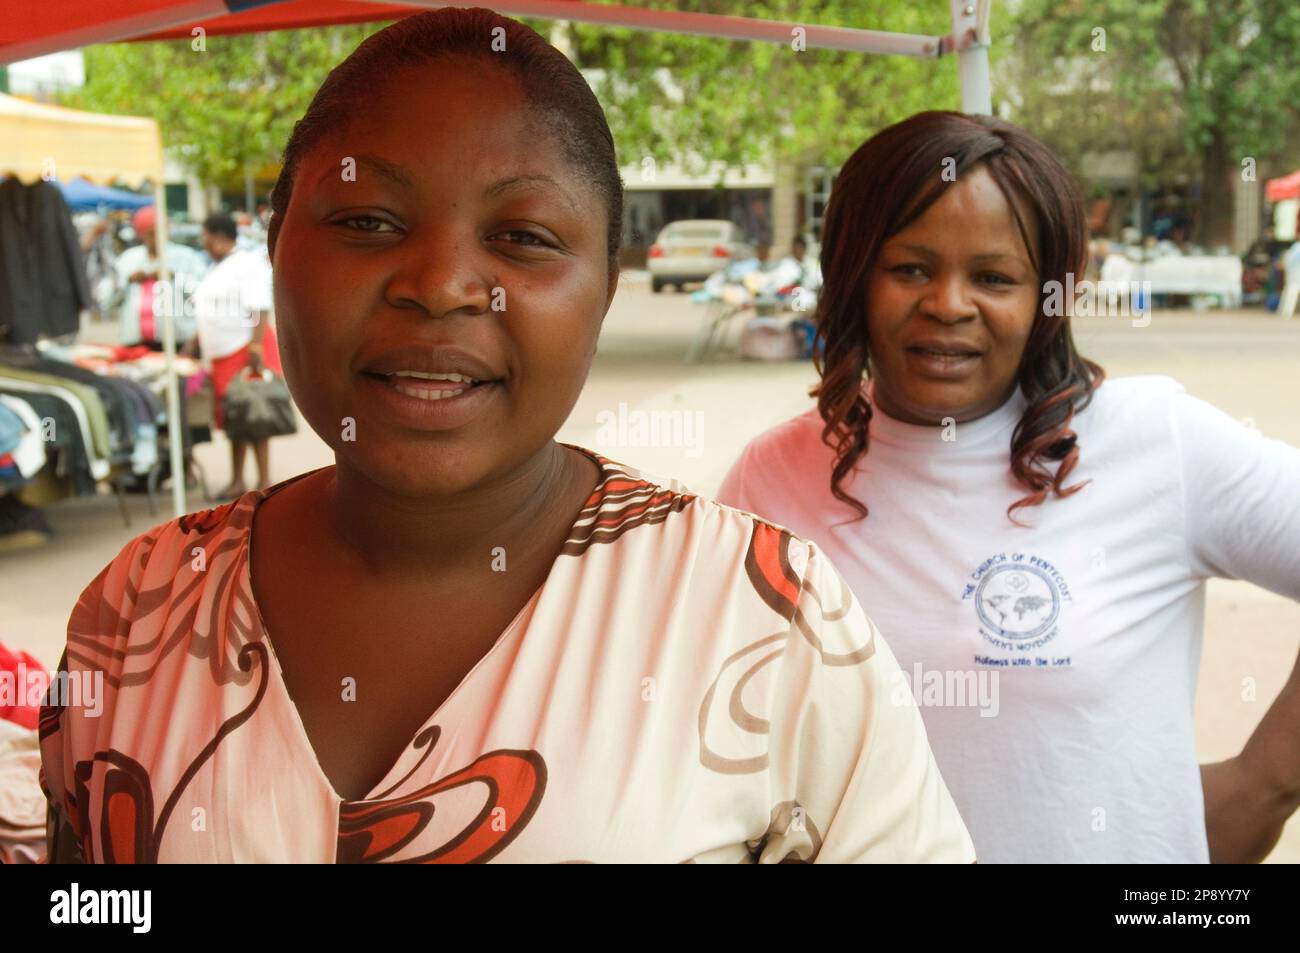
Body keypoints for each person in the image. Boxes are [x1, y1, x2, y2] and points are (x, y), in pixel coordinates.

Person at [38, 9, 974, 864]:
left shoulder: (769, 618)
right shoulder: (136, 611)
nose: (442, 284)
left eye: (523, 238)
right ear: (273, 247)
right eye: (367, 220)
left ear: (606, 288)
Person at [716, 111, 1300, 864]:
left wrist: (1263, 783)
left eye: (993, 277)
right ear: (854, 274)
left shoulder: (1159, 442)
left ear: (1050, 297)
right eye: (911, 268)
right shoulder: (770, 476)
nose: (949, 304)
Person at [187, 210, 285, 499]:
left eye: (205, 237)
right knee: (235, 421)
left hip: (244, 349)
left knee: (255, 416)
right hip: (222, 354)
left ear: (217, 237)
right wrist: (192, 345)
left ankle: (265, 481)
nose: (204, 243)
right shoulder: (219, 266)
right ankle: (238, 480)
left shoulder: (245, 264)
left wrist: (254, 349)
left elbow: (259, 307)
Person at [111, 206, 208, 350]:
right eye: (151, 233)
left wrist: (174, 277)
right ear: (141, 234)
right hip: (135, 341)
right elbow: (109, 301)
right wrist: (128, 281)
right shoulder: (128, 259)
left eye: (160, 232)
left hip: (177, 340)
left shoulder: (186, 256)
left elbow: (202, 294)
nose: (157, 237)